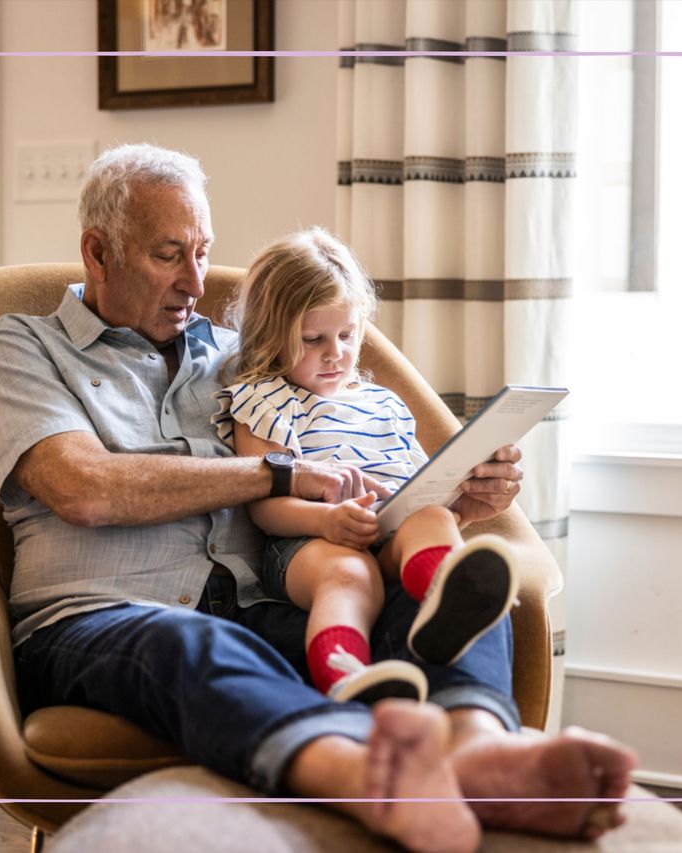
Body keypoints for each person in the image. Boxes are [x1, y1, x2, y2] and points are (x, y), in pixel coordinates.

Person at [0, 143, 636, 853]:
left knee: (444, 585)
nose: (196, 281)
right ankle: (369, 780)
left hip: (268, 610)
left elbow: (350, 456)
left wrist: (444, 501)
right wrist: (278, 475)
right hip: (100, 622)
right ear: (97, 253)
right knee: (195, 642)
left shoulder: (239, 356)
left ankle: (480, 751)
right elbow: (85, 487)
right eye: (170, 255)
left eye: (203, 252)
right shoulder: (22, 348)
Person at [211, 227, 520, 706]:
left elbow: (418, 490)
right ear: (272, 336)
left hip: (391, 533)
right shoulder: (264, 399)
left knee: (434, 518)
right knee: (349, 575)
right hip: (307, 544)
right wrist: (327, 521)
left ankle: (449, 604)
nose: (335, 353)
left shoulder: (386, 405)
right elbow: (263, 505)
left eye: (347, 335)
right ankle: (343, 675)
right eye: (313, 339)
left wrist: (459, 503)